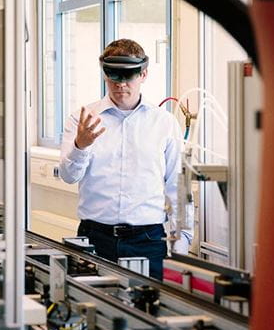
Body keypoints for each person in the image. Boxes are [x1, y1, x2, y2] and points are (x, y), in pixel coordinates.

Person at [58, 39, 183, 280]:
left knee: (149, 310)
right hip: (94, 238)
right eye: (113, 77)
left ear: (144, 74)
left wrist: (180, 245)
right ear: (105, 74)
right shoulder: (82, 119)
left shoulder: (164, 123)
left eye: (129, 76)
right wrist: (80, 146)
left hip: (148, 241)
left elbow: (176, 186)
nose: (121, 84)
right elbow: (68, 176)